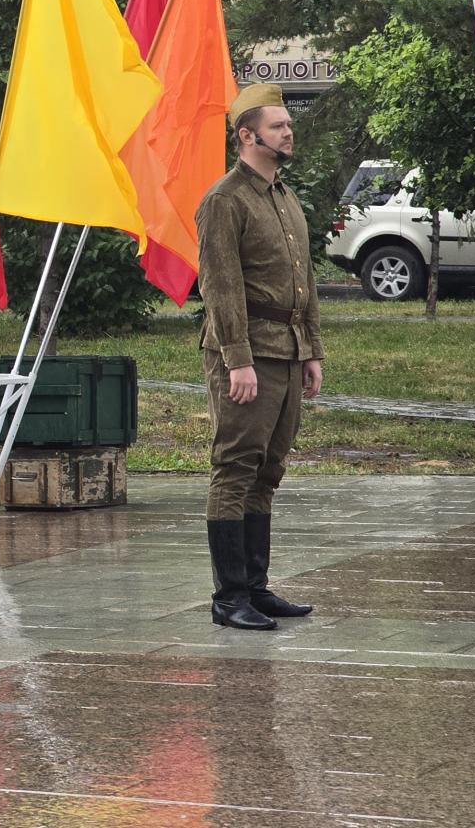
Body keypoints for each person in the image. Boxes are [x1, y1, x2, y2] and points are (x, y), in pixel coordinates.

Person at [195, 82, 324, 631]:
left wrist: (312, 350)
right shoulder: (225, 199)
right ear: (247, 136)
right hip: (248, 354)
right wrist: (237, 359)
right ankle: (229, 598)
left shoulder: (283, 196)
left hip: (288, 352)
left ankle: (256, 587)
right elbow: (220, 285)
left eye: (288, 124)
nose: (288, 131)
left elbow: (304, 281)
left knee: (268, 470)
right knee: (236, 469)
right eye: (278, 126)